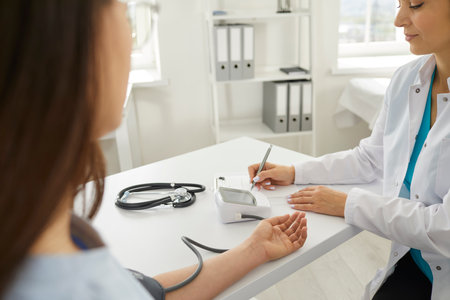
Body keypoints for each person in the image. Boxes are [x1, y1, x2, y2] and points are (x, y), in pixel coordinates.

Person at [0, 1, 308, 299]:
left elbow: (145, 293)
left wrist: (254, 250)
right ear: (70, 39)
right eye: (125, 13)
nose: (131, 38)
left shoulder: (37, 229)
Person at [249, 0, 450, 299]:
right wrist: (295, 172)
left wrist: (348, 204)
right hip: (418, 263)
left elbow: (444, 227)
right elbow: (371, 157)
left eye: (416, 4)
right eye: (398, 4)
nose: (398, 20)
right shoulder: (408, 78)